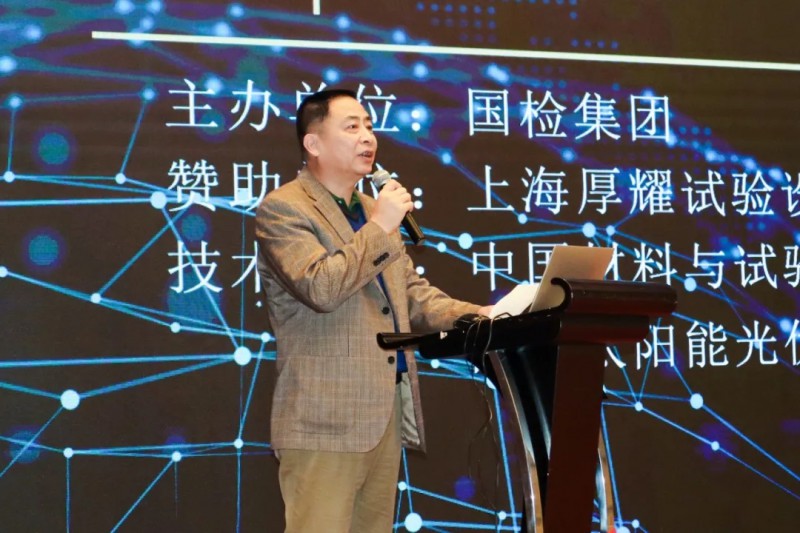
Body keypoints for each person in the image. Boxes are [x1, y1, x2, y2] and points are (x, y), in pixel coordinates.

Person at [255, 89, 490, 533]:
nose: (368, 136)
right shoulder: (284, 208)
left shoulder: (370, 210)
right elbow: (321, 287)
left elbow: (412, 294)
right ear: (313, 143)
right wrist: (381, 226)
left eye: (368, 125)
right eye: (351, 127)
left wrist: (481, 314)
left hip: (383, 412)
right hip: (325, 421)